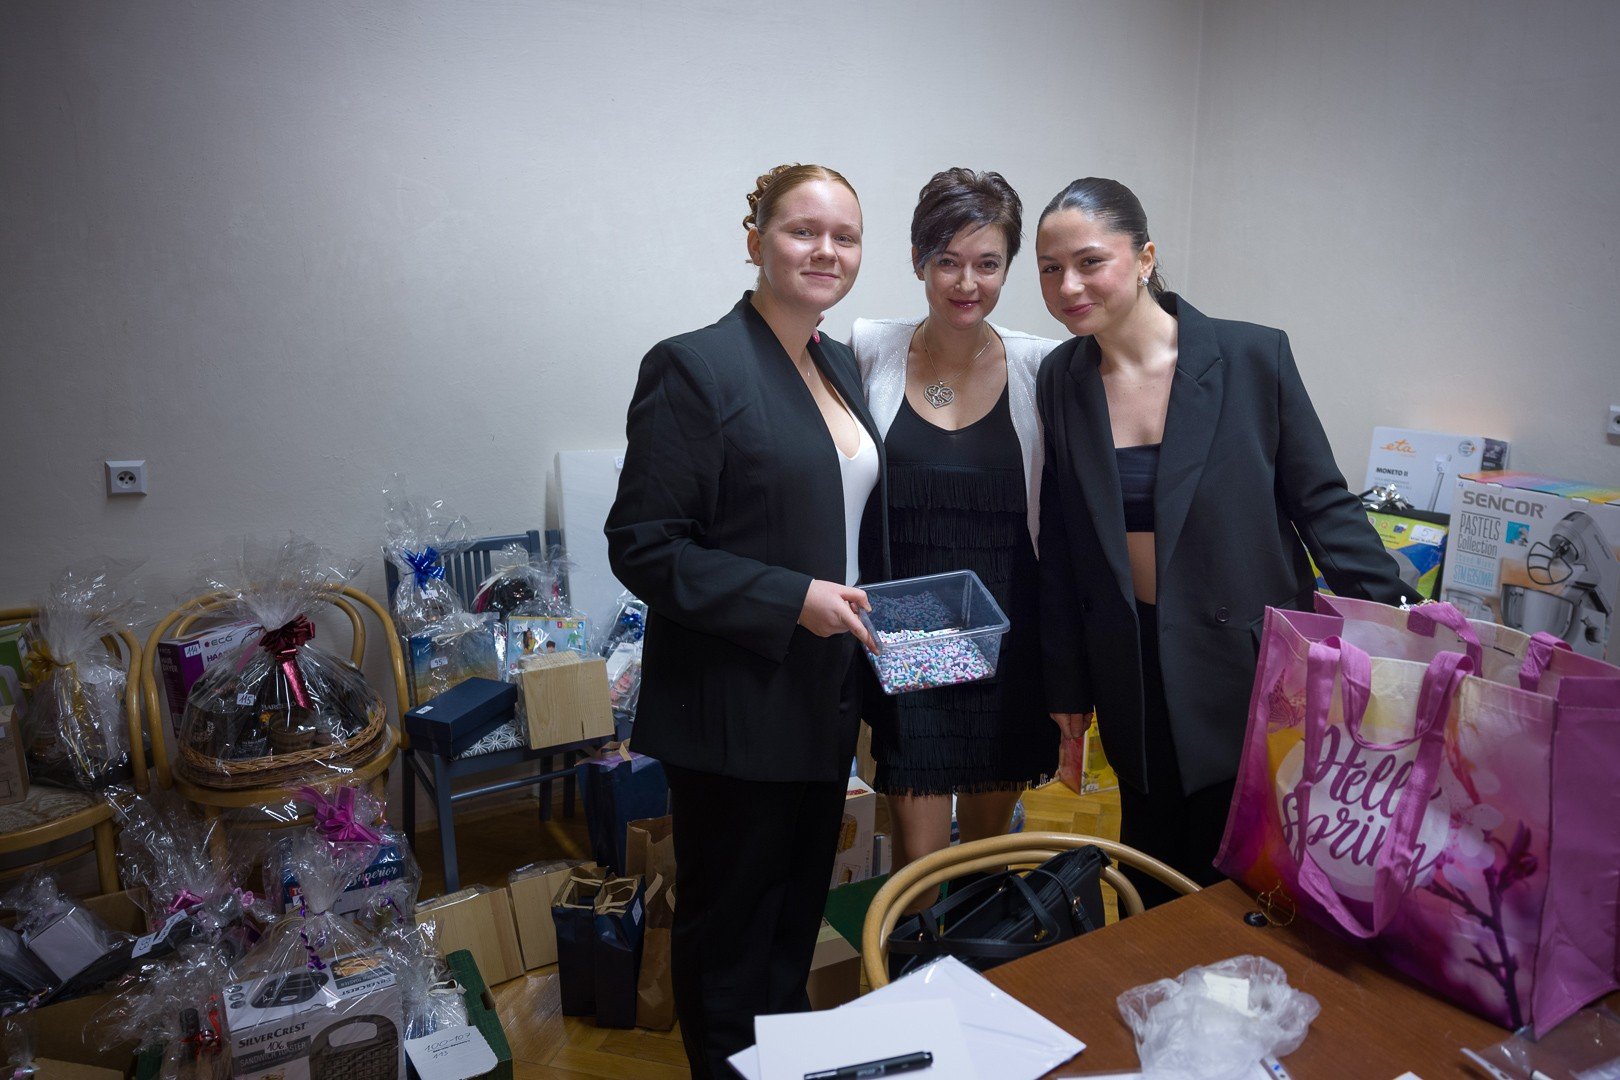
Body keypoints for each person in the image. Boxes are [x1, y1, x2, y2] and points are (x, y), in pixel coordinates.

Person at [1033, 177, 1407, 907]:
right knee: (1151, 871)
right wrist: (1067, 684)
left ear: (1144, 257)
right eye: (1050, 269)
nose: (1068, 286)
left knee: (1248, 879)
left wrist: (1403, 621)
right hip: (1132, 665)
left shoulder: (1251, 357)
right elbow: (1065, 542)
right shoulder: (1063, 376)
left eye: (1089, 261)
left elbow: (1323, 505)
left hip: (1246, 664)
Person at [605, 163, 888, 1078]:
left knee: (792, 924)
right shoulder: (696, 366)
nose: (826, 250)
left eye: (844, 236)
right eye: (803, 231)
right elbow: (644, 545)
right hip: (733, 706)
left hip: (822, 696)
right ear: (756, 239)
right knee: (730, 938)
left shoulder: (834, 363)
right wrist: (790, 597)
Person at [850, 168, 1059, 889]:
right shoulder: (870, 351)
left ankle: (975, 956)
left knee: (986, 860)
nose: (967, 282)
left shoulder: (1038, 366)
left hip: (1007, 638)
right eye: (947, 260)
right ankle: (915, 955)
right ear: (918, 261)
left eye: (988, 263)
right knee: (921, 864)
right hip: (909, 636)